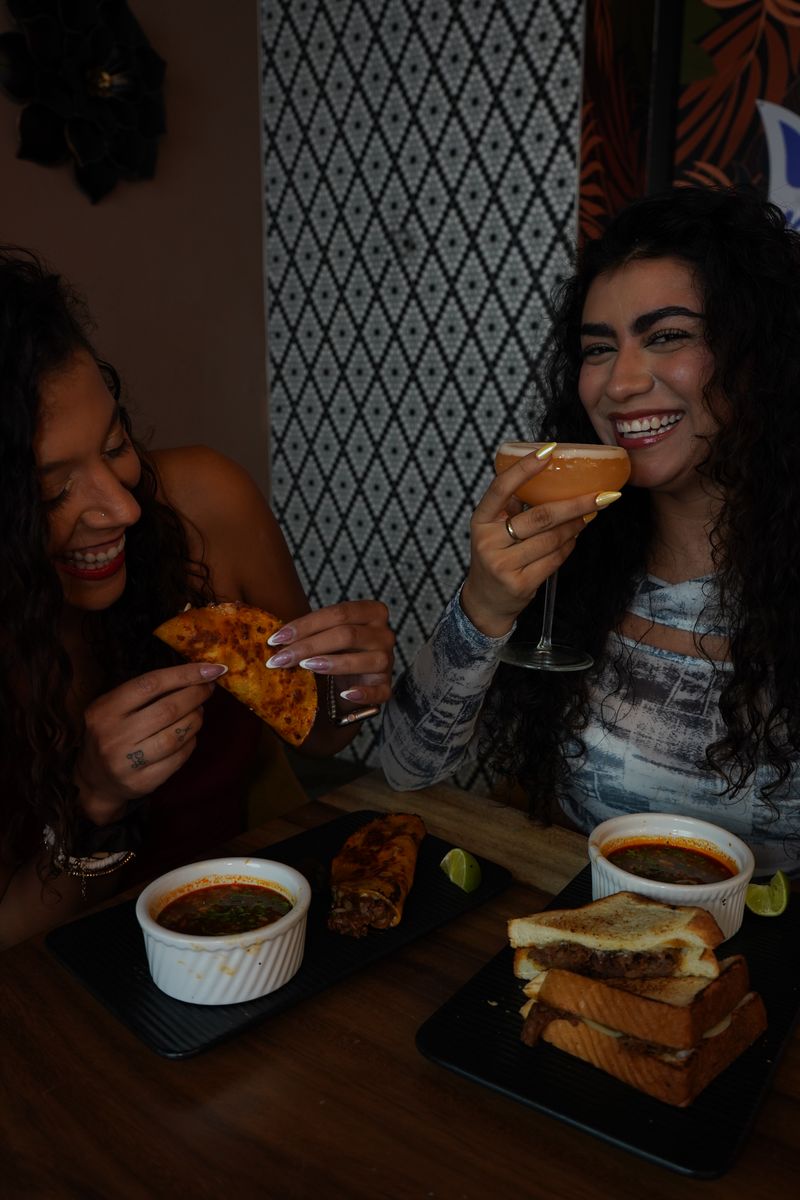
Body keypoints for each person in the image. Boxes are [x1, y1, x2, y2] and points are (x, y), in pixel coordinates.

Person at [380, 186, 800, 878]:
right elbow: (404, 769)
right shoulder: (577, 562)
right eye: (598, 349)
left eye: (667, 336)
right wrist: (483, 605)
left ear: (757, 355)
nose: (620, 383)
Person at [0, 246, 394, 950]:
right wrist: (97, 800)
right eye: (54, 489)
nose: (121, 508)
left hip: (255, 937)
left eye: (115, 444)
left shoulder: (204, 505)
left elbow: (324, 728)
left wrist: (350, 684)